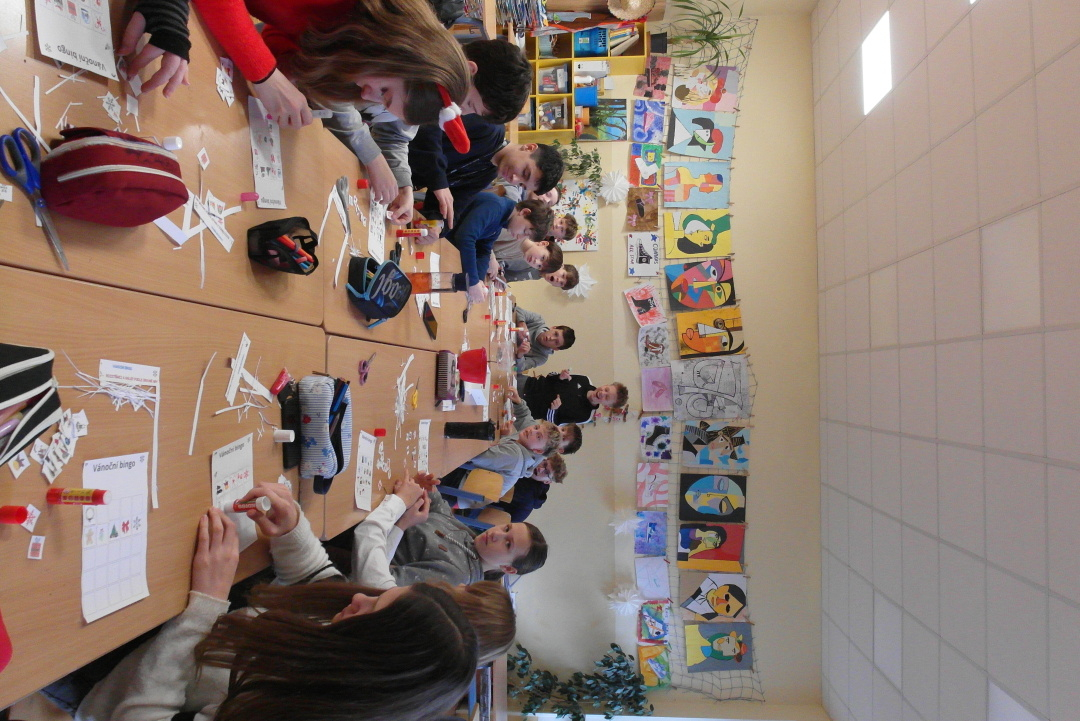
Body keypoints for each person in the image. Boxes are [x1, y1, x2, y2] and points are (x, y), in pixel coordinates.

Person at [71, 483, 516, 721]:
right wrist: (292, 529)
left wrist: (205, 606)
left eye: (371, 610)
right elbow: (318, 583)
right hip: (166, 638)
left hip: (108, 683)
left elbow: (140, 713)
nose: (359, 595)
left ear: (374, 662)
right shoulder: (347, 642)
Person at [127, 0, 473, 222]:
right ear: (400, 52)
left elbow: (282, 28)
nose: (366, 95)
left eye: (382, 102)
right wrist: (265, 75)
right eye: (384, 92)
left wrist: (287, 69)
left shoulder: (353, 37)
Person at [351, 474, 549, 588]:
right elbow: (441, 510)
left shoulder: (457, 575)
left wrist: (401, 524)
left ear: (507, 568)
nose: (497, 534)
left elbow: (380, 580)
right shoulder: (472, 541)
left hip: (356, 539)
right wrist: (429, 489)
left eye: (507, 544)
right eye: (506, 528)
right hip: (376, 516)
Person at [410, 125, 564, 228]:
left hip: (404, 183)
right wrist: (439, 182)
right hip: (401, 144)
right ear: (529, 148)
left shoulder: (488, 173)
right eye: (525, 172)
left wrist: (438, 225)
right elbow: (430, 128)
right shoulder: (489, 129)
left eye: (522, 184)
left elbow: (455, 203)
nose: (514, 179)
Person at [437, 195, 552, 302]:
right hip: (436, 230)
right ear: (524, 212)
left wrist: (480, 280)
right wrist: (473, 282)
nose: (519, 237)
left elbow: (484, 249)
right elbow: (465, 237)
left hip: (444, 243)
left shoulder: (503, 220)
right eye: (524, 231)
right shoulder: (496, 207)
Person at [519, 370, 628, 425]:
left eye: (607, 397)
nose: (602, 393)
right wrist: (559, 376)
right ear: (606, 384)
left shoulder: (585, 416)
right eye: (606, 389)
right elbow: (550, 378)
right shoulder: (584, 380)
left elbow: (553, 423)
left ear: (607, 405)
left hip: (526, 408)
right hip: (526, 383)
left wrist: (553, 410)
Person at [511, 306, 575, 373]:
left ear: (555, 348)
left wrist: (520, 355)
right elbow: (515, 308)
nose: (551, 338)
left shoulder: (541, 358)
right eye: (555, 334)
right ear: (553, 328)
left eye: (556, 342)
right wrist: (522, 324)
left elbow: (517, 369)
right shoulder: (538, 320)